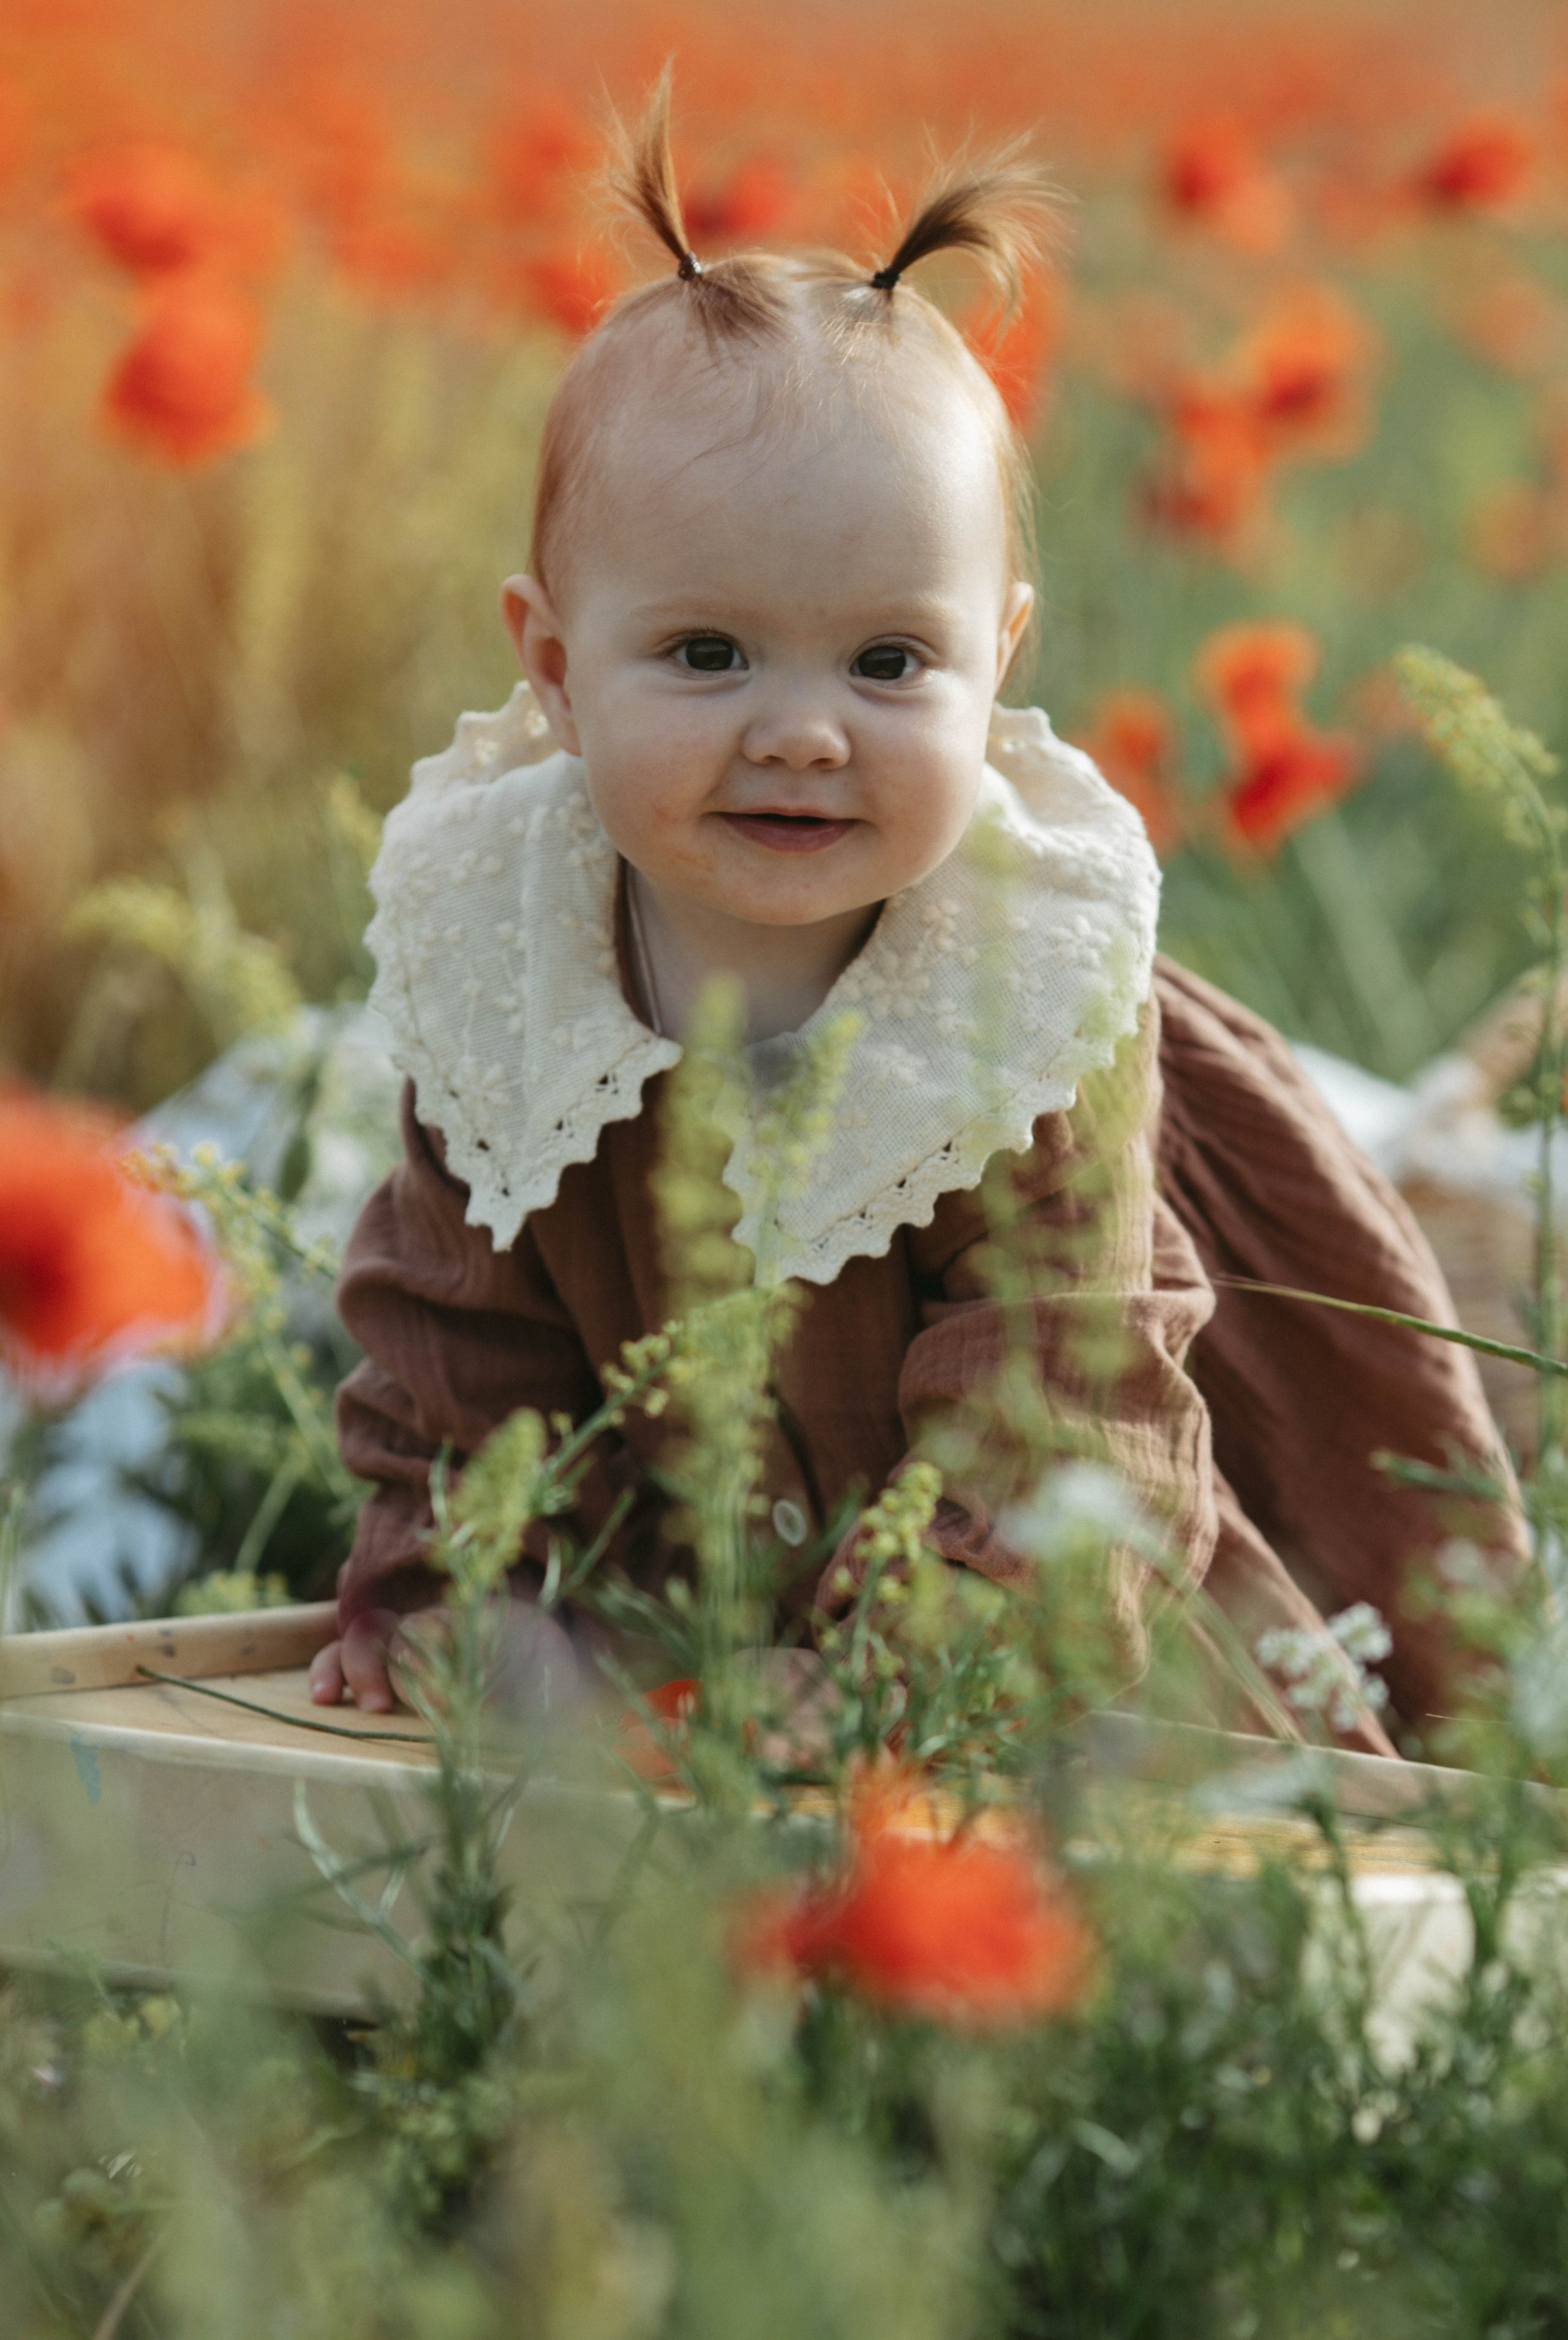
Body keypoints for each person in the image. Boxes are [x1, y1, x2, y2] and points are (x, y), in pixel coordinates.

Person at [311, 87, 1523, 1752]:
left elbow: (1067, 1378)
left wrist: (923, 1645)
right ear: (554, 669)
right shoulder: (510, 944)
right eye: (709, 653)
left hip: (1044, 1599)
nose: (804, 729)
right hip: (700, 1571)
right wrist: (459, 1578)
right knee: (537, 1722)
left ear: (998, 659)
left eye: (889, 663)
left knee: (1146, 1825)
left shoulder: (1017, 987)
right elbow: (454, 1323)